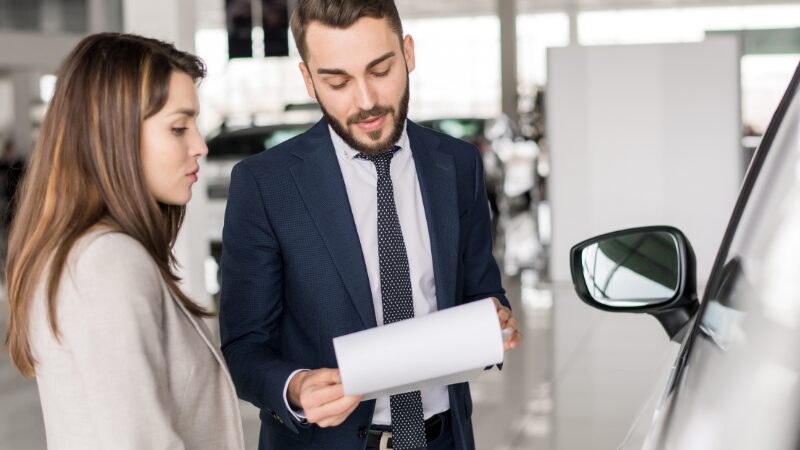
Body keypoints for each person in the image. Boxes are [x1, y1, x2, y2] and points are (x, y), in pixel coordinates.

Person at [219, 1, 522, 449]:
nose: (365, 101)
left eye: (380, 70)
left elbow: (481, 290)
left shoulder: (457, 165)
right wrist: (296, 387)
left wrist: (494, 319)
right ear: (308, 80)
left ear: (408, 54)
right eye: (337, 82)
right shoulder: (266, 184)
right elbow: (244, 346)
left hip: (442, 438)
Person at [4, 33, 244, 449]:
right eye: (178, 127)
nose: (199, 146)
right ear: (115, 135)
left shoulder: (85, 253)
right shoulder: (107, 262)